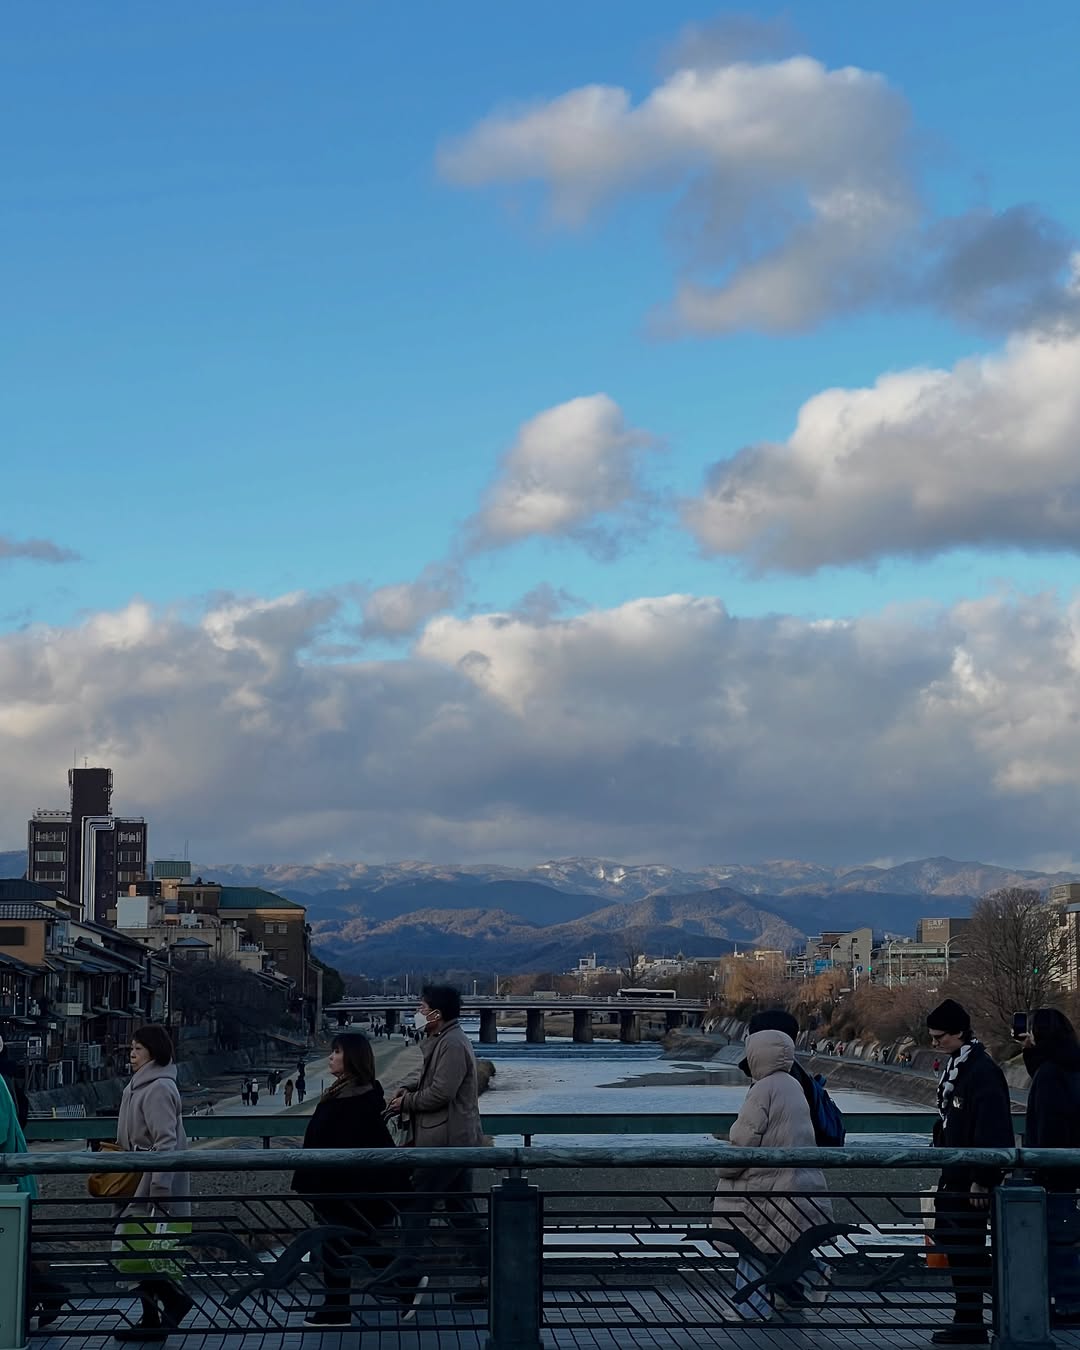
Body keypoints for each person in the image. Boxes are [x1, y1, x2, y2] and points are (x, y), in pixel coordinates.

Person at [292, 1032, 414, 1327]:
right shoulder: (348, 1092)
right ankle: (341, 1306)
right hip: (336, 1185)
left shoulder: (355, 1098)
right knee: (342, 1244)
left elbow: (367, 1145)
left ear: (352, 1059)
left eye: (336, 1051)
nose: (330, 1057)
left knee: (341, 1242)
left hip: (343, 1187)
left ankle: (394, 1286)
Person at [715, 1029, 832, 1320]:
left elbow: (745, 1139)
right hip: (793, 1179)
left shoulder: (763, 1089)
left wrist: (723, 1166)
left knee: (751, 1245)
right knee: (779, 1243)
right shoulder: (793, 1085)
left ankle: (750, 1307)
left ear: (757, 1054)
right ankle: (812, 1272)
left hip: (764, 1183)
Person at [386, 984, 486, 1305]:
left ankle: (406, 1275)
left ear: (437, 1014)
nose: (417, 1013)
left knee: (419, 1205)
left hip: (444, 1141)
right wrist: (407, 1088)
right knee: (460, 1211)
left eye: (421, 1007)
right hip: (454, 1140)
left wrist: (407, 1103)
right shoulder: (444, 1041)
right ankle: (493, 1276)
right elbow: (434, 1082)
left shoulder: (452, 1044)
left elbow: (441, 1092)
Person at [926, 999, 1014, 1346]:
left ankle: (971, 1321)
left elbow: (992, 1130)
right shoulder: (961, 1067)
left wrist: (983, 1176)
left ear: (959, 1032)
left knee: (968, 1250)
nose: (935, 1043)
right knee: (959, 1247)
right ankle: (967, 1318)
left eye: (939, 1037)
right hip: (956, 1178)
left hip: (969, 1182)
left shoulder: (981, 1072)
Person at [113, 1025, 193, 1341]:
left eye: (138, 1049)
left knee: (136, 1246)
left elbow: (166, 1142)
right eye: (131, 1048)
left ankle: (173, 1301)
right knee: (138, 1248)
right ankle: (150, 1318)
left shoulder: (158, 1087)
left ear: (153, 1052)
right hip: (139, 1177)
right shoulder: (138, 1085)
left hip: (151, 1183)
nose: (132, 1054)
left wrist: (160, 1188)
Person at [1023, 1007, 1080, 1326]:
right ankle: (1070, 1301)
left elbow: (1047, 1126)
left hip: (1054, 1174)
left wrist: (1038, 1169)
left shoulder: (1049, 1074)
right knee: (1067, 1240)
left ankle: (1067, 1306)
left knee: (1056, 1241)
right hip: (1070, 1171)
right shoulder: (1070, 1064)